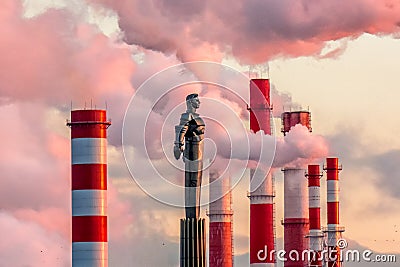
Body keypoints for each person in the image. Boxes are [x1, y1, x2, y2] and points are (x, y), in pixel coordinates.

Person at [174, 93, 205, 219]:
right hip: (192, 153)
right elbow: (181, 130)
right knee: (192, 184)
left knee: (197, 185)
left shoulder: (196, 117)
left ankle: (194, 216)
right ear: (191, 102)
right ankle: (192, 217)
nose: (199, 103)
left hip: (200, 154)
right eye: (197, 100)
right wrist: (178, 145)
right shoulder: (187, 116)